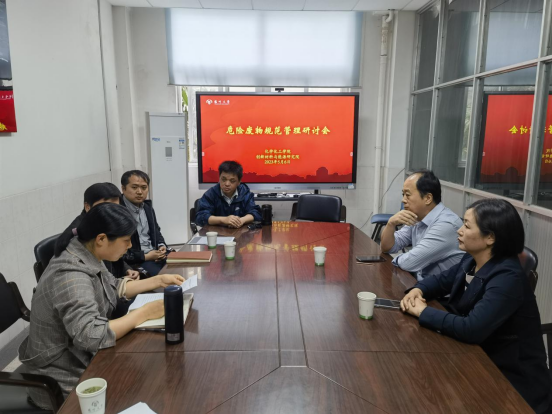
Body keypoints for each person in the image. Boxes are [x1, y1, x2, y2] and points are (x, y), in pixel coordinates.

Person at [18, 203, 184, 410]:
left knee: (149, 375)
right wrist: (144, 313)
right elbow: (91, 335)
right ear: (101, 239)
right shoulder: (71, 275)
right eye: (126, 241)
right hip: (62, 375)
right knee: (149, 385)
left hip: (81, 357)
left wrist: (157, 281)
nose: (129, 246)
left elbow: (111, 286)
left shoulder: (85, 252)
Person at [400, 199, 552, 413]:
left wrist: (423, 311)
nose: (459, 230)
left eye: (467, 226)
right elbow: (441, 280)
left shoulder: (508, 277)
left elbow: (472, 328)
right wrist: (419, 290)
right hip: (475, 356)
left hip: (510, 380)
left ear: (490, 237)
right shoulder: (471, 260)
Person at [380, 170, 464, 281]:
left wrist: (396, 259)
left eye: (408, 195)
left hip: (440, 291)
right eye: (403, 194)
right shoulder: (417, 216)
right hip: (422, 284)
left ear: (428, 198)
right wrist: (390, 224)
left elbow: (409, 263)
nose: (403, 200)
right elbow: (388, 247)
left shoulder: (446, 225)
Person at [55, 182, 139, 280]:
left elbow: (112, 254)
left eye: (116, 208)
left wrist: (126, 269)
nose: (113, 213)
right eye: (107, 207)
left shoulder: (104, 224)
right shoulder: (85, 234)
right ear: (87, 207)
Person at [120, 170, 167, 276]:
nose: (140, 192)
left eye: (144, 187)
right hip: (137, 261)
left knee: (181, 266)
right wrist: (146, 256)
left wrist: (161, 245)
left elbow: (156, 231)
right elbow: (120, 251)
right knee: (162, 277)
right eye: (134, 187)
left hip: (155, 254)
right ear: (123, 188)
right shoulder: (119, 211)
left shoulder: (147, 207)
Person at [195, 160, 261, 228]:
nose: (227, 184)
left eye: (232, 181)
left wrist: (241, 221)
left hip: (240, 232)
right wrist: (223, 220)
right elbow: (200, 217)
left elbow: (255, 213)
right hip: (217, 232)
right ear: (219, 178)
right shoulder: (211, 194)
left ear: (239, 182)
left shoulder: (245, 193)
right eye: (223, 179)